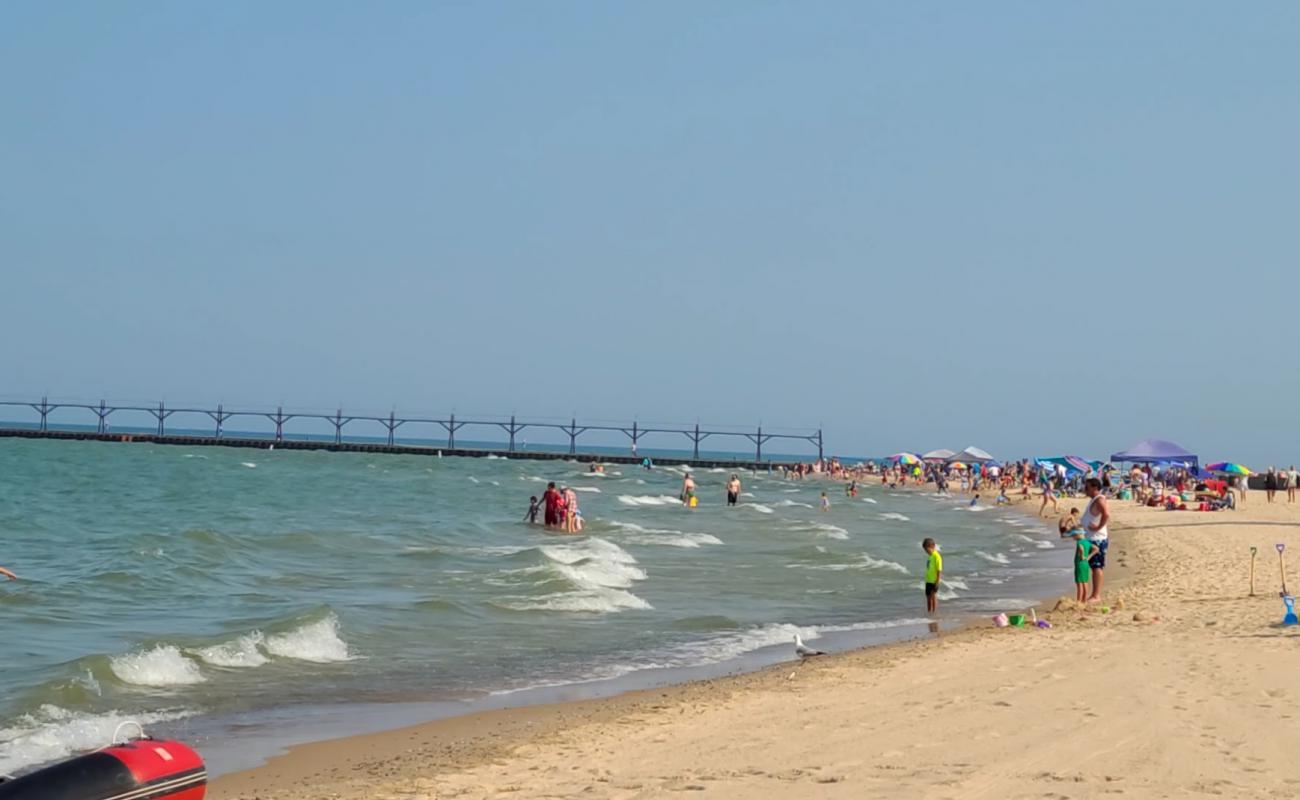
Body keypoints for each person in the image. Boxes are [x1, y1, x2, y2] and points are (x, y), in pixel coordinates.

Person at [1081, 477, 1110, 603]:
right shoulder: (1094, 500)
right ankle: (1094, 594)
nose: (1084, 489)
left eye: (1087, 487)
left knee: (1097, 567)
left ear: (1094, 488)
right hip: (1091, 538)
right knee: (1093, 566)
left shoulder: (1099, 499)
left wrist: (1098, 527)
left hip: (1097, 539)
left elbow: (1106, 514)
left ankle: (1096, 595)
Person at [1071, 529, 1094, 603]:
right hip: (1085, 563)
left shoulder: (1079, 542)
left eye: (1074, 535)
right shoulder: (1087, 542)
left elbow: (1080, 548)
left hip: (1080, 564)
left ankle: (1079, 600)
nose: (1073, 537)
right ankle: (1084, 599)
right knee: (1085, 581)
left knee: (1079, 583)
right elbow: (1096, 549)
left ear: (1078, 535)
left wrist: (1081, 555)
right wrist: (1088, 557)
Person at [922, 538, 942, 614]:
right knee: (928, 596)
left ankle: (934, 612)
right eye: (925, 550)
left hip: (934, 580)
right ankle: (929, 612)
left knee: (933, 596)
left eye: (927, 550)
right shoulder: (930, 556)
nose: (927, 552)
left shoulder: (937, 556)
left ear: (933, 546)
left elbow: (939, 570)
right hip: (928, 580)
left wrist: (937, 581)